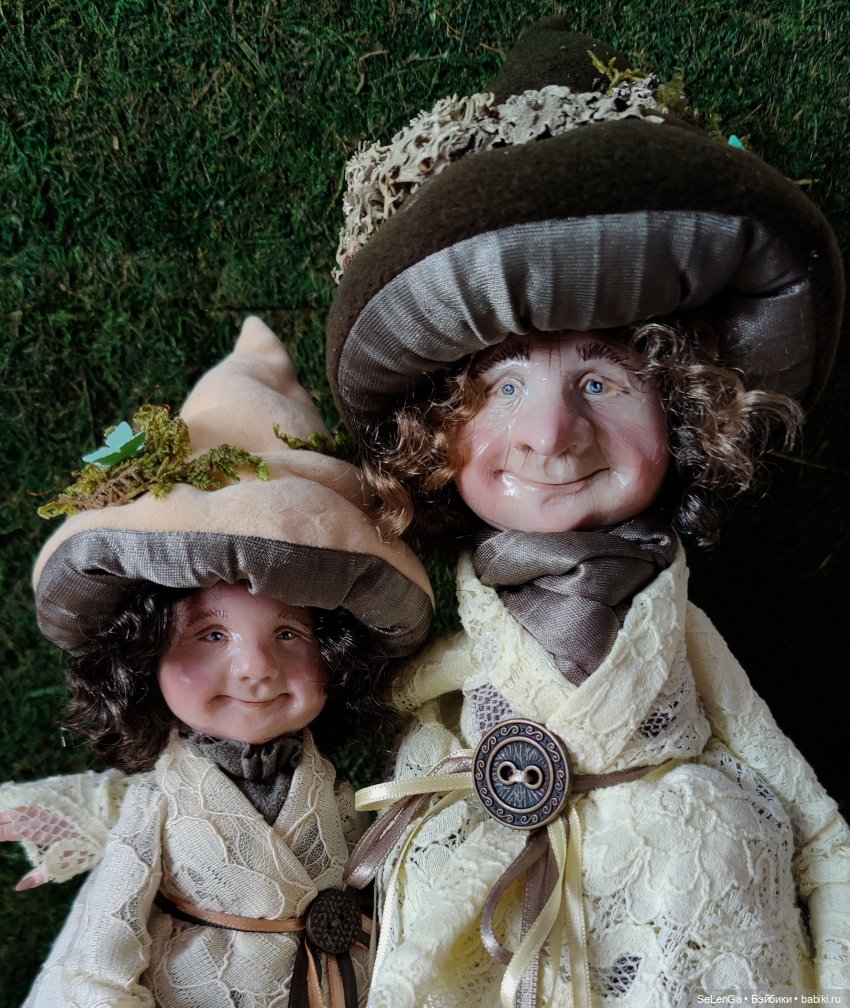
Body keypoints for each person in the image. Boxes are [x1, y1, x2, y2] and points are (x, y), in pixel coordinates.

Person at [324, 18, 850, 1008]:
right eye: (501, 388)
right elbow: (418, 741)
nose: (550, 435)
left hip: (686, 895)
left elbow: (811, 818)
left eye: (603, 382)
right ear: (435, 430)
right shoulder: (448, 661)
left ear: (684, 407)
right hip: (501, 894)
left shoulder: (684, 632)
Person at [1, 315, 433, 1008]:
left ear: (335, 652)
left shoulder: (332, 791)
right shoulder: (156, 811)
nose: (255, 668)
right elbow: (104, 945)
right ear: (143, 651)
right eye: (209, 636)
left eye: (290, 634)